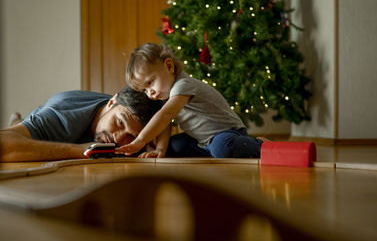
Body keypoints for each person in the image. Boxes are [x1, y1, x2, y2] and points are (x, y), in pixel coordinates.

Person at [116, 42, 265, 158]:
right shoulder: (166, 96)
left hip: (228, 133)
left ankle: (259, 144)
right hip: (202, 141)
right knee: (174, 146)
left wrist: (140, 140)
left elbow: (165, 115)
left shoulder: (183, 85)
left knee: (223, 148)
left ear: (169, 66)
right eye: (145, 90)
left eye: (150, 82)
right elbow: (165, 124)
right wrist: (160, 149)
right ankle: (213, 153)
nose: (150, 92)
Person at [0, 87, 166, 162]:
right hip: (53, 111)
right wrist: (82, 151)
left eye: (131, 136)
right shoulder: (62, 114)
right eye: (120, 122)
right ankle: (16, 120)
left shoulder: (137, 122)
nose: (118, 137)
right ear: (111, 103)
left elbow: (166, 119)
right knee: (22, 126)